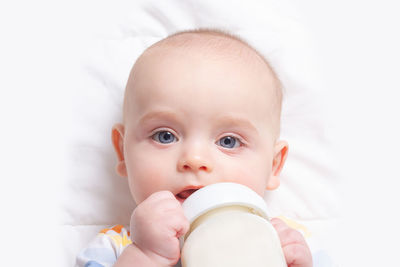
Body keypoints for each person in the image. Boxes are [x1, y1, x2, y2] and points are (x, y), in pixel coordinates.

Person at [76, 29, 313, 267]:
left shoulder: (287, 246)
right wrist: (146, 255)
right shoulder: (117, 248)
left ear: (273, 166)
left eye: (228, 141)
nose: (195, 159)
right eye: (165, 136)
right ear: (122, 152)